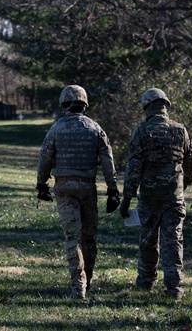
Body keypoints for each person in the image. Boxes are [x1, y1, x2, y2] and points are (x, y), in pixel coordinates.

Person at [36, 84, 120, 300]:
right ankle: (87, 280)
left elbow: (45, 158)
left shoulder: (56, 128)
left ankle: (78, 286)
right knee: (89, 238)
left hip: (64, 187)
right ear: (84, 104)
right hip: (87, 187)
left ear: (64, 104)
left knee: (72, 237)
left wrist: (41, 184)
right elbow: (108, 162)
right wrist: (113, 191)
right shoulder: (95, 129)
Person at [119, 88, 192, 300]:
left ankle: (145, 282)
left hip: (149, 197)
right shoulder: (181, 131)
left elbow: (133, 167)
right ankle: (175, 288)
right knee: (173, 241)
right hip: (174, 197)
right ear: (166, 106)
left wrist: (126, 198)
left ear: (147, 107)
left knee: (148, 240)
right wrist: (184, 185)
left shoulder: (141, 131)